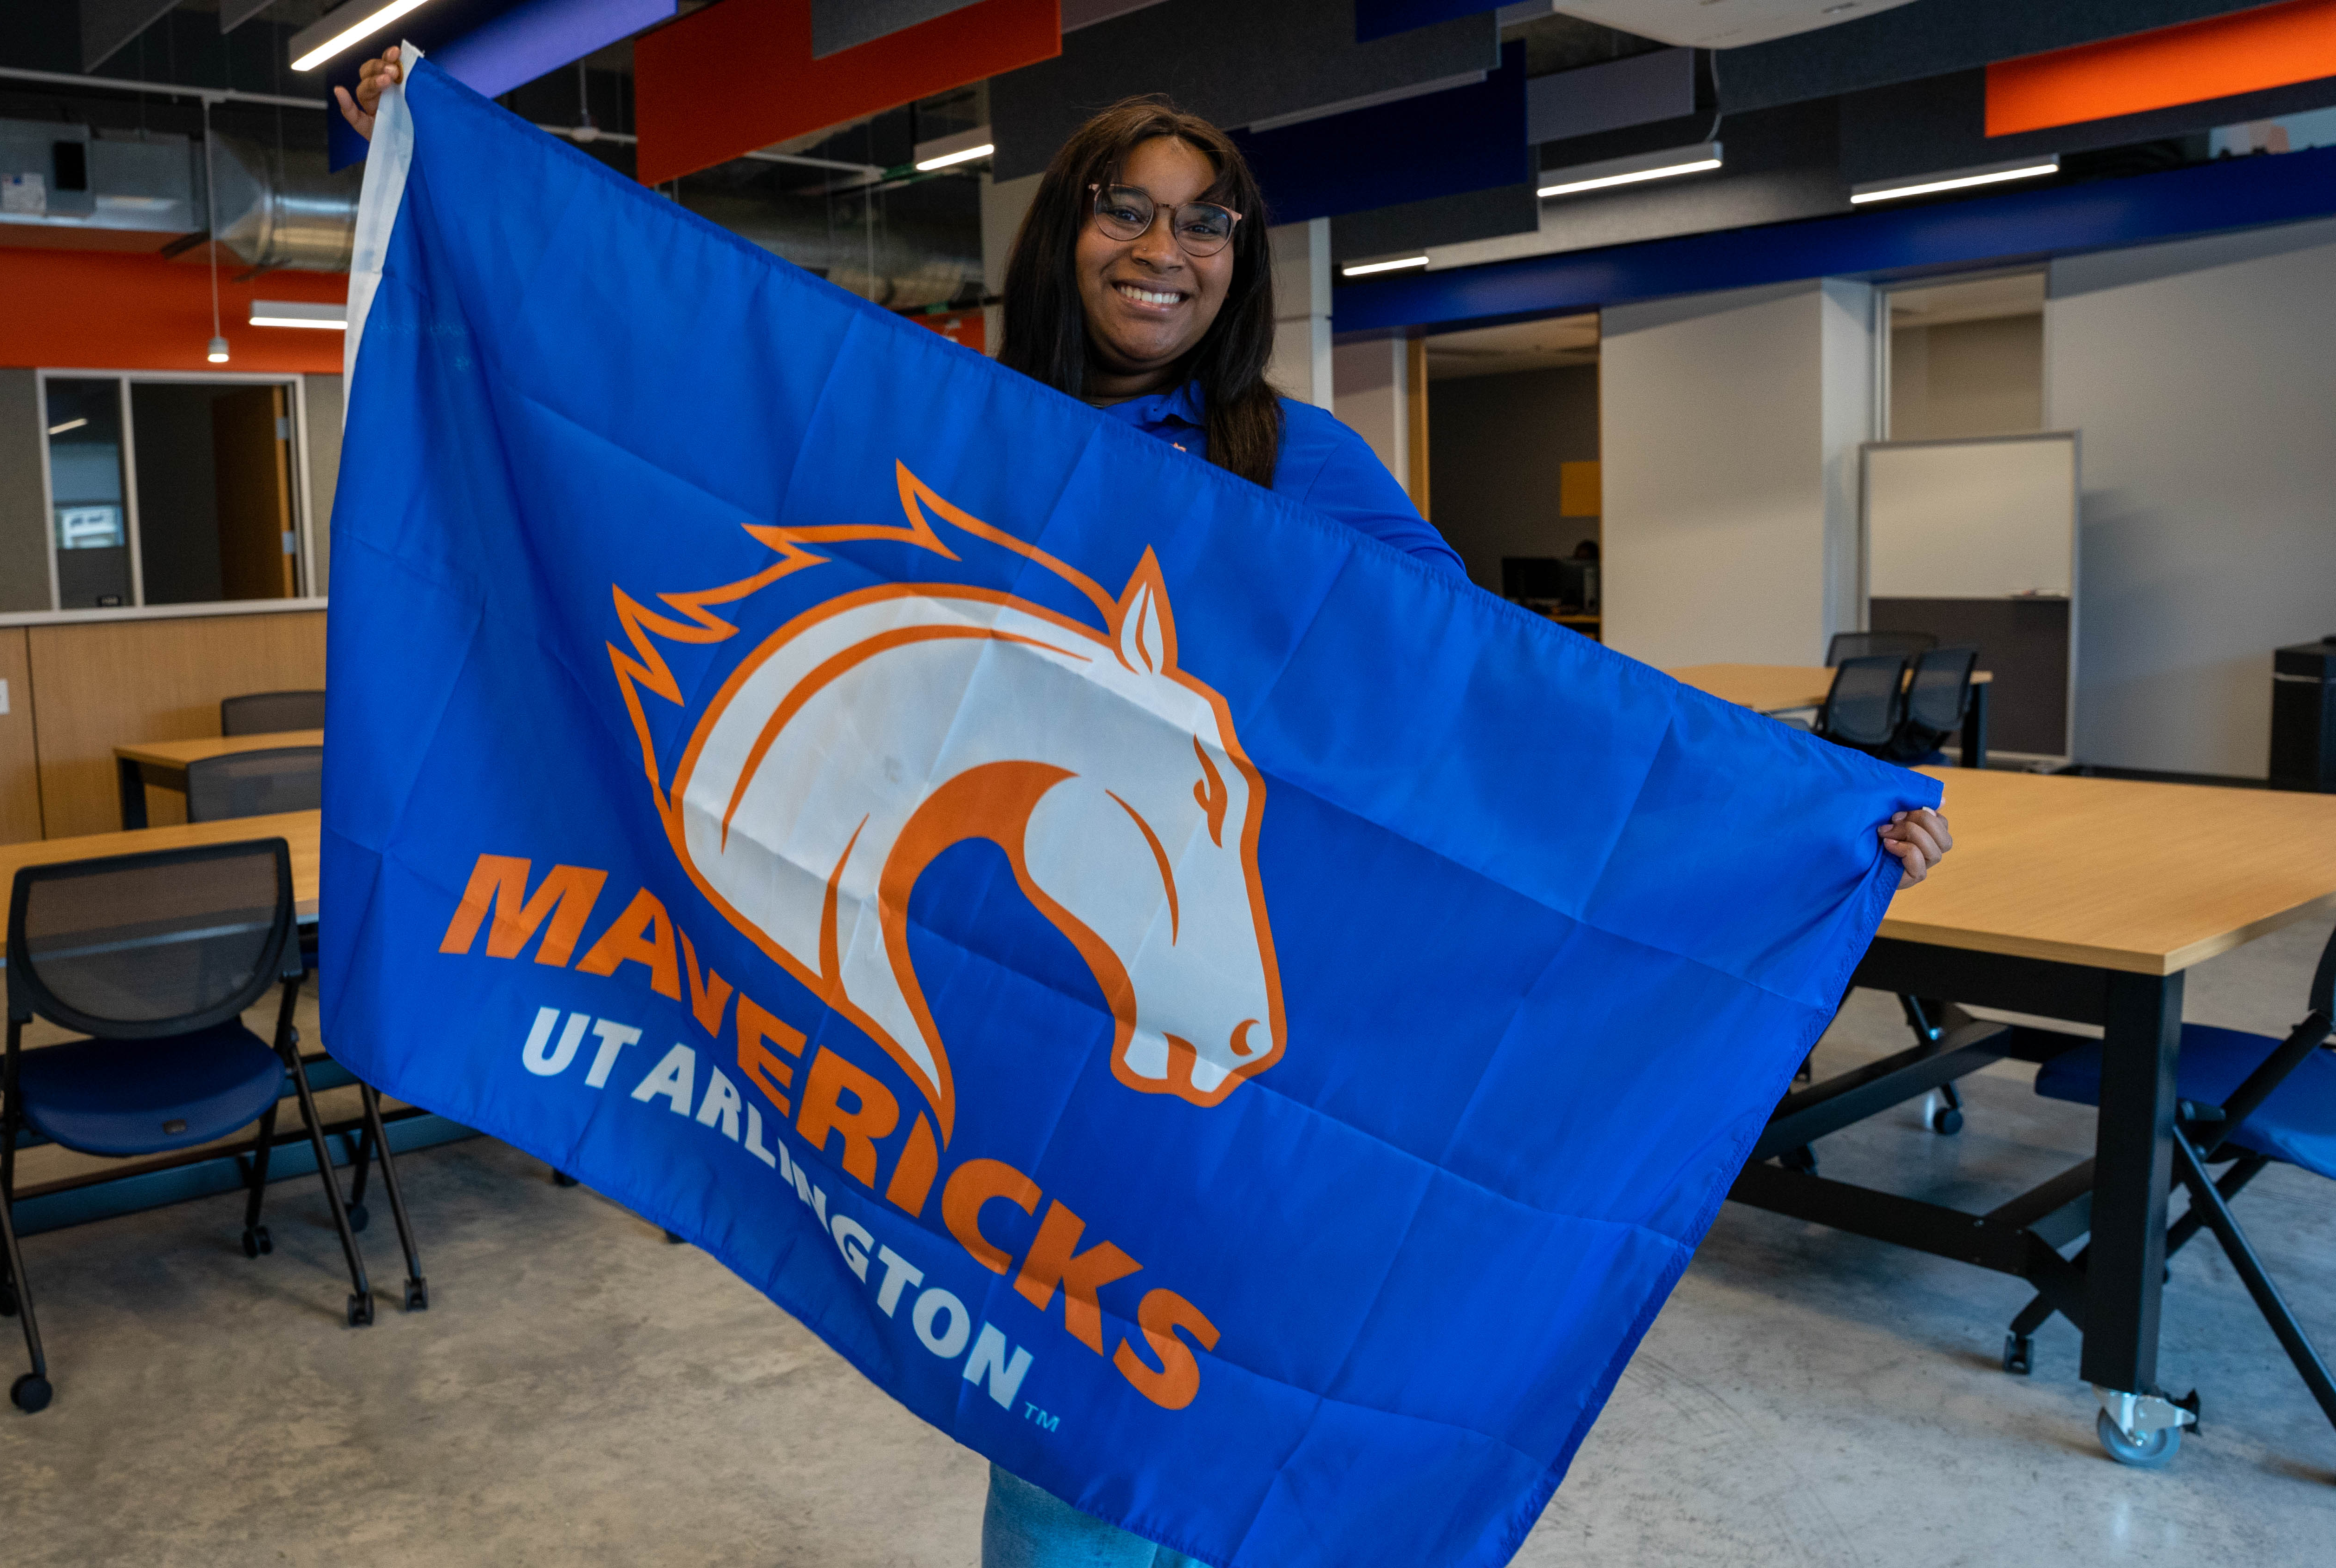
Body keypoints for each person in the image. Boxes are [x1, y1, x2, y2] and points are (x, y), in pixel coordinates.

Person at [339, 69, 1953, 1568]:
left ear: (1239, 257)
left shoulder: (1290, 468)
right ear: (1067, 231)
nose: (1163, 248)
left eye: (1204, 217)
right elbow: (663, 372)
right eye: (1126, 205)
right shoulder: (951, 430)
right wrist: (441, 180)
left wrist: (1797, 810)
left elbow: (1504, 707)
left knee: (1218, 1385)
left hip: (1220, 1037)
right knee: (1063, 1429)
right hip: (1008, 1032)